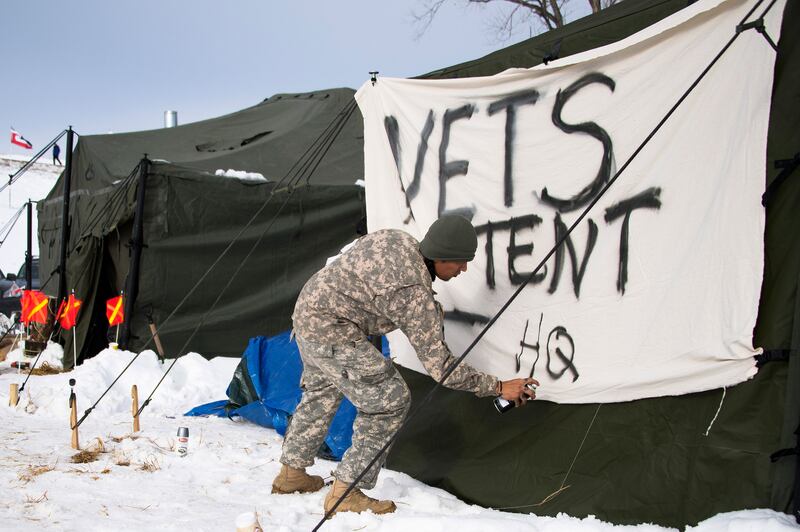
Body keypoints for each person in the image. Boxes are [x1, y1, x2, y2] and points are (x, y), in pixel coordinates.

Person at [271, 214, 538, 516]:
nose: (463, 269)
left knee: (322, 391)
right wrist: (500, 387)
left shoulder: (397, 239)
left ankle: (291, 475)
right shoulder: (413, 295)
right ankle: (346, 492)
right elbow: (443, 369)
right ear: (441, 257)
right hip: (334, 329)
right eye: (460, 261)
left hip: (308, 311)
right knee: (390, 402)